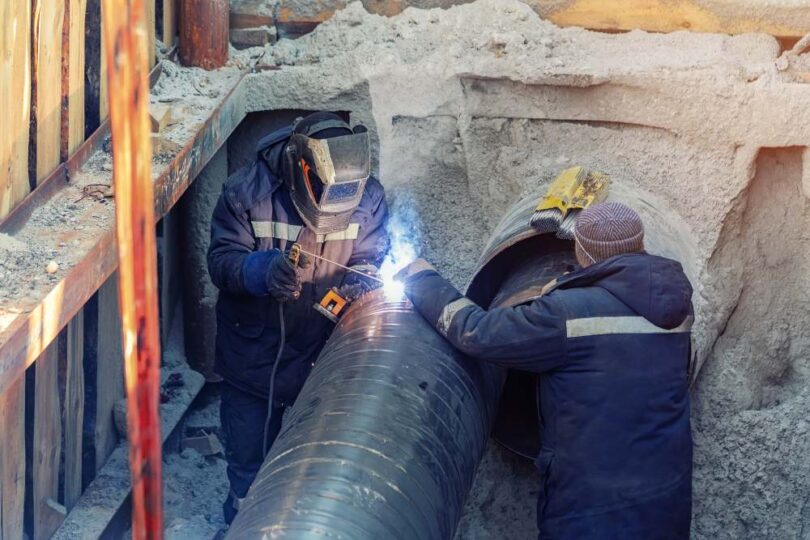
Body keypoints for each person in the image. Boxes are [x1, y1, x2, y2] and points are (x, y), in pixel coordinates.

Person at [396, 202, 693, 539]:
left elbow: (476, 332)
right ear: (641, 244)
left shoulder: (566, 314)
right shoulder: (676, 306)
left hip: (592, 511)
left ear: (580, 250)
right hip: (667, 500)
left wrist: (419, 279)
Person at [207, 112, 389, 524]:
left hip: (321, 361)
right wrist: (261, 271)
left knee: (319, 472)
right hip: (254, 360)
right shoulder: (246, 193)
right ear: (304, 168)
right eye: (325, 190)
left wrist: (365, 281)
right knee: (250, 466)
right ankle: (241, 526)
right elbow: (220, 262)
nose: (334, 200)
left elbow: (370, 255)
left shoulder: (369, 197)